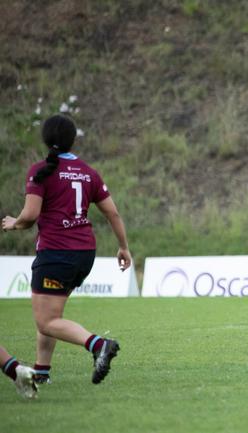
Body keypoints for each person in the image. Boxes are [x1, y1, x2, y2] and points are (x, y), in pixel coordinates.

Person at [2, 114, 132, 384]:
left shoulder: (41, 171)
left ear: (46, 139)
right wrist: (123, 248)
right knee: (51, 315)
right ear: (73, 140)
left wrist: (14, 223)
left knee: (46, 321)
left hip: (56, 253)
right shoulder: (88, 172)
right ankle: (41, 372)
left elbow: (29, 216)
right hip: (84, 253)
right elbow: (113, 214)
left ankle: (98, 345)